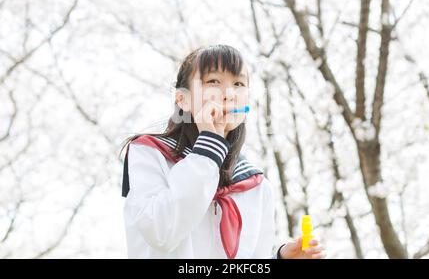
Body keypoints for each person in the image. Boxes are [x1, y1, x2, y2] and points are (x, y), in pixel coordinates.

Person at [120, 44, 326, 259]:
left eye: (238, 84)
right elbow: (161, 233)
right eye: (213, 82)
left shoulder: (257, 186)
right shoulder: (148, 153)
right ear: (182, 99)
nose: (228, 94)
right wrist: (209, 148)